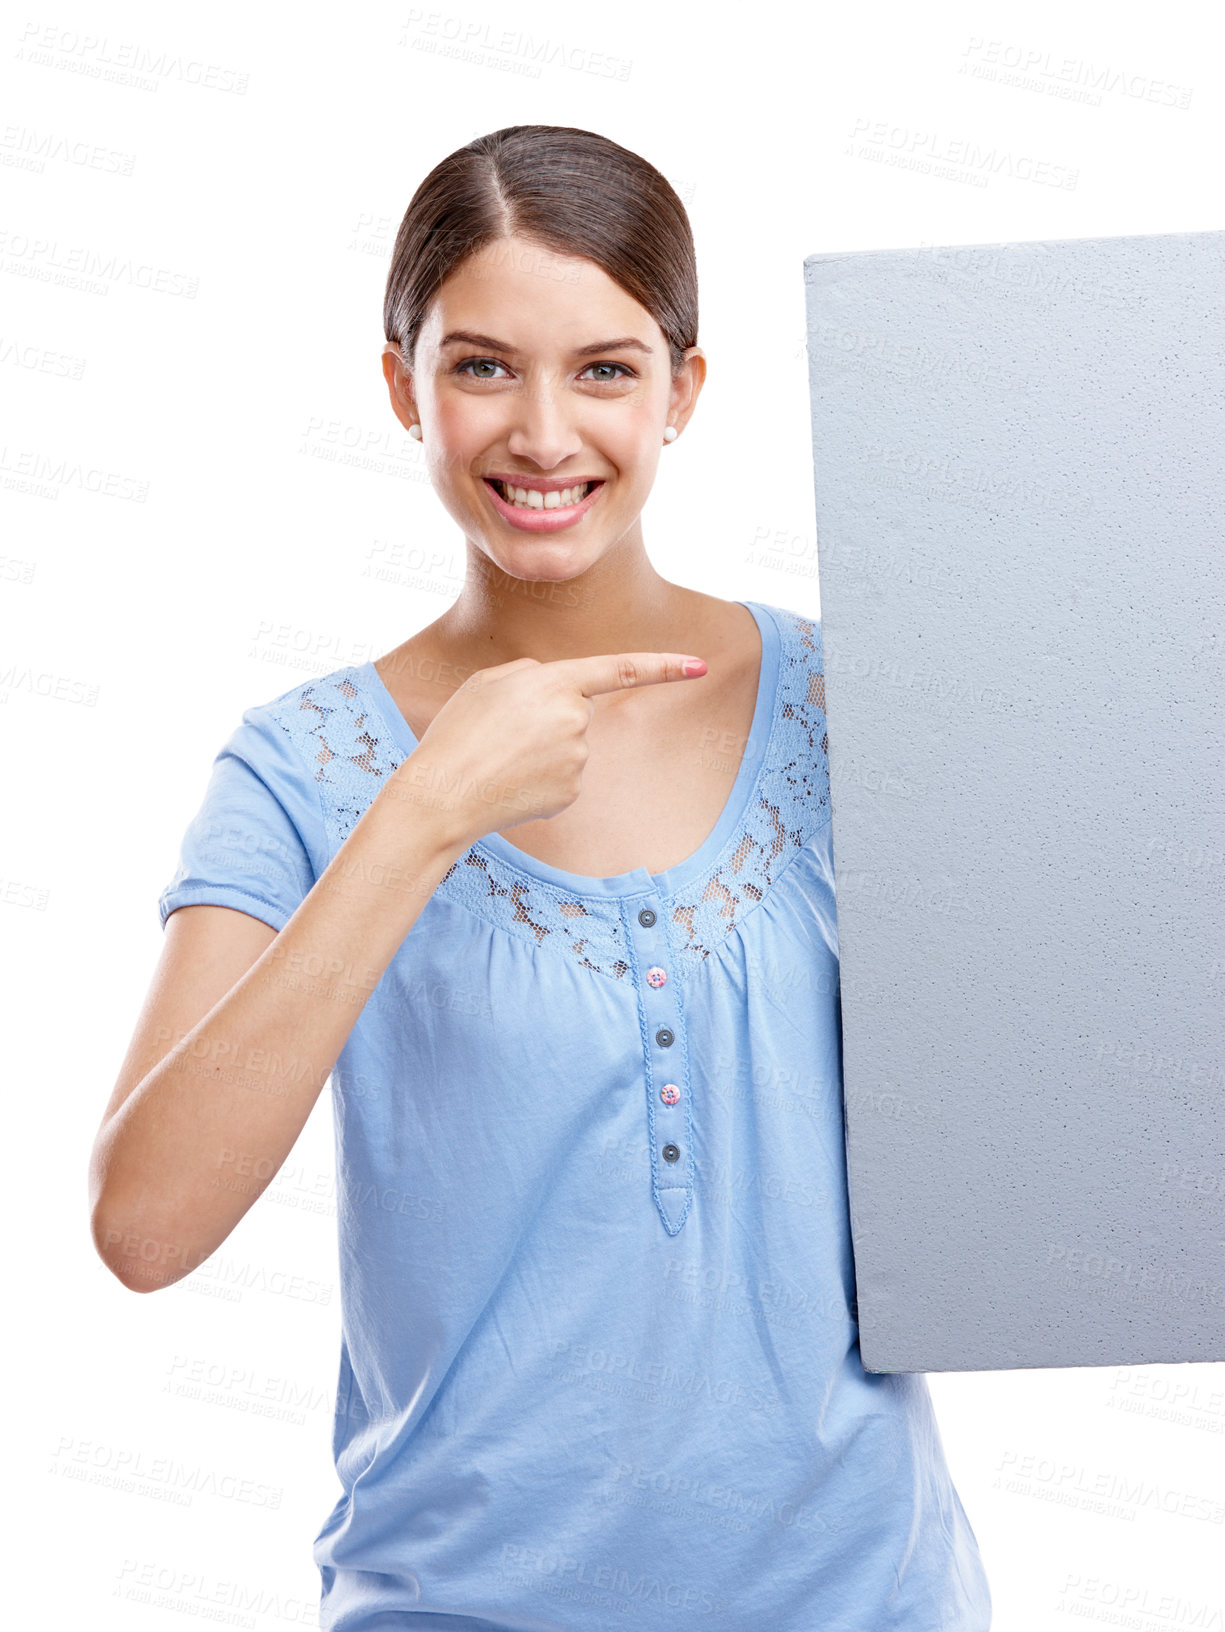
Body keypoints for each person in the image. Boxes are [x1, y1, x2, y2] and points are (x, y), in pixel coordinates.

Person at [88, 124, 993, 1630]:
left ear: (683, 390)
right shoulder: (302, 768)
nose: (543, 434)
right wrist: (424, 811)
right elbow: (146, 1226)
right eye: (482, 366)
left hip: (865, 1595)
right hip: (458, 1602)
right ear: (403, 384)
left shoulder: (858, 708)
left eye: (606, 369)